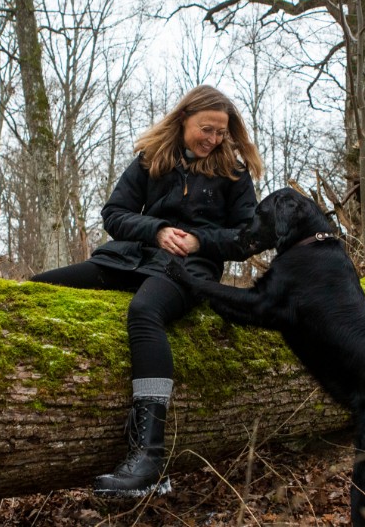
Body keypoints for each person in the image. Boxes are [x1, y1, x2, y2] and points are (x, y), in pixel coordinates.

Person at [29, 85, 263, 498]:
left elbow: (248, 236)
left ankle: (148, 458)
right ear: (183, 119)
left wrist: (198, 242)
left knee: (144, 313)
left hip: (190, 269)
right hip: (131, 258)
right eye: (205, 129)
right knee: (36, 289)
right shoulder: (151, 159)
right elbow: (113, 215)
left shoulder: (234, 174)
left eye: (220, 132)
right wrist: (154, 230)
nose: (212, 139)